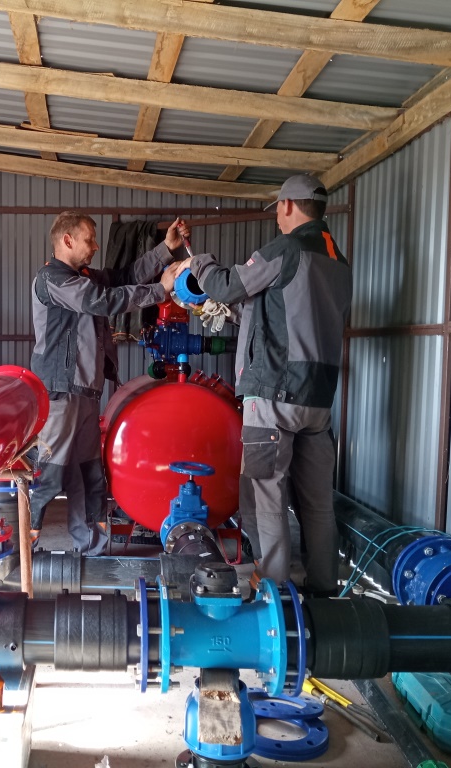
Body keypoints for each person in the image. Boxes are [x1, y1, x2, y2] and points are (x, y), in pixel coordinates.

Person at [173, 174, 352, 596]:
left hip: (274, 393)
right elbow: (285, 313)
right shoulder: (337, 261)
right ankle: (324, 591)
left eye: (278, 211)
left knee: (263, 495)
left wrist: (197, 263)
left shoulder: (286, 250)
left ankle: (273, 592)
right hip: (318, 400)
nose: (277, 219)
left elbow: (227, 285)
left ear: (288, 205)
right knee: (317, 502)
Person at [30, 211, 190, 555]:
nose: (96, 246)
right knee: (49, 475)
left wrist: (165, 249)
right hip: (60, 393)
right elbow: (101, 301)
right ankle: (25, 552)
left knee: (89, 475)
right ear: (67, 240)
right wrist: (160, 289)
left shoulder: (85, 276)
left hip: (86, 392)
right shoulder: (52, 278)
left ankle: (91, 549)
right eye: (89, 239)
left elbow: (125, 277)